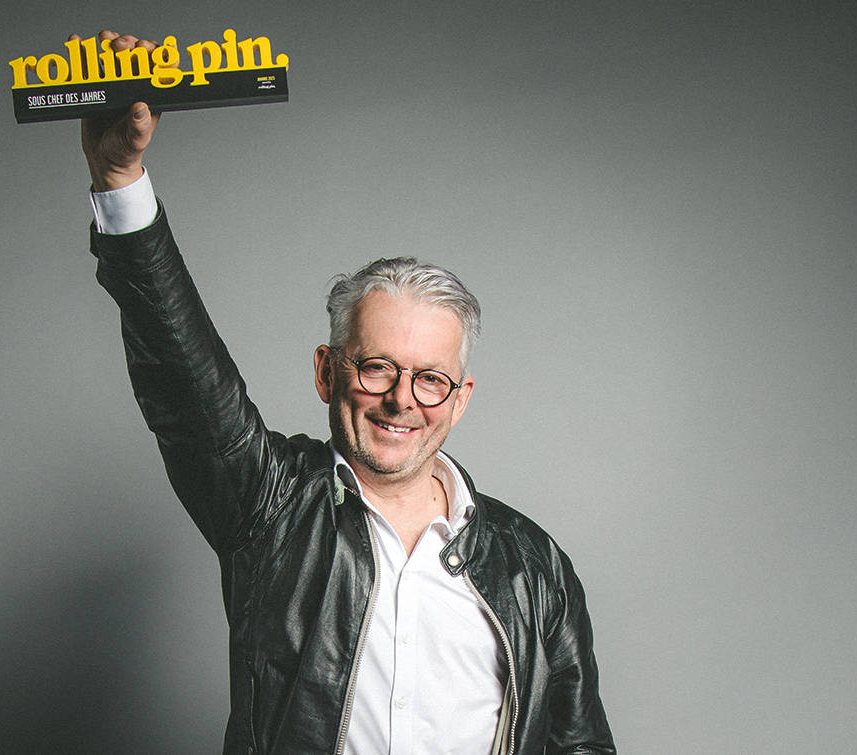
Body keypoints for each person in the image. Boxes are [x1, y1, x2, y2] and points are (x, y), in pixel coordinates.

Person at [81, 30, 614, 755]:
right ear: (326, 372)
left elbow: (580, 745)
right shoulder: (269, 507)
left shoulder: (533, 567)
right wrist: (120, 181)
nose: (402, 400)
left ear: (460, 398)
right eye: (377, 368)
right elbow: (184, 381)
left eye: (430, 379)